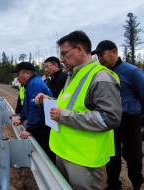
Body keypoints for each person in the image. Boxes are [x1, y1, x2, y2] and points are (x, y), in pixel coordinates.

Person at [35, 31, 122, 190]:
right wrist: (47, 102)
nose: (61, 59)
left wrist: (64, 116)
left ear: (80, 49)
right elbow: (69, 106)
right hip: (63, 151)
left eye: (64, 54)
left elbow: (110, 118)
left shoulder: (101, 77)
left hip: (84, 159)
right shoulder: (72, 75)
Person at [91, 40, 144, 190]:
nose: (100, 59)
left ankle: (136, 182)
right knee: (111, 154)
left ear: (114, 51)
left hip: (130, 119)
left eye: (102, 54)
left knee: (133, 155)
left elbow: (143, 93)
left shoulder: (131, 71)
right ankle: (114, 184)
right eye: (98, 56)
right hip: (110, 119)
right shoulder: (102, 73)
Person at [11, 61, 56, 164]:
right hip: (42, 124)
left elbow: (35, 109)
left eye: (18, 74)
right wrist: (22, 118)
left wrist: (30, 129)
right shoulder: (31, 83)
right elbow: (27, 105)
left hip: (44, 126)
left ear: (27, 73)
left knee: (46, 152)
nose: (17, 78)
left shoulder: (35, 84)